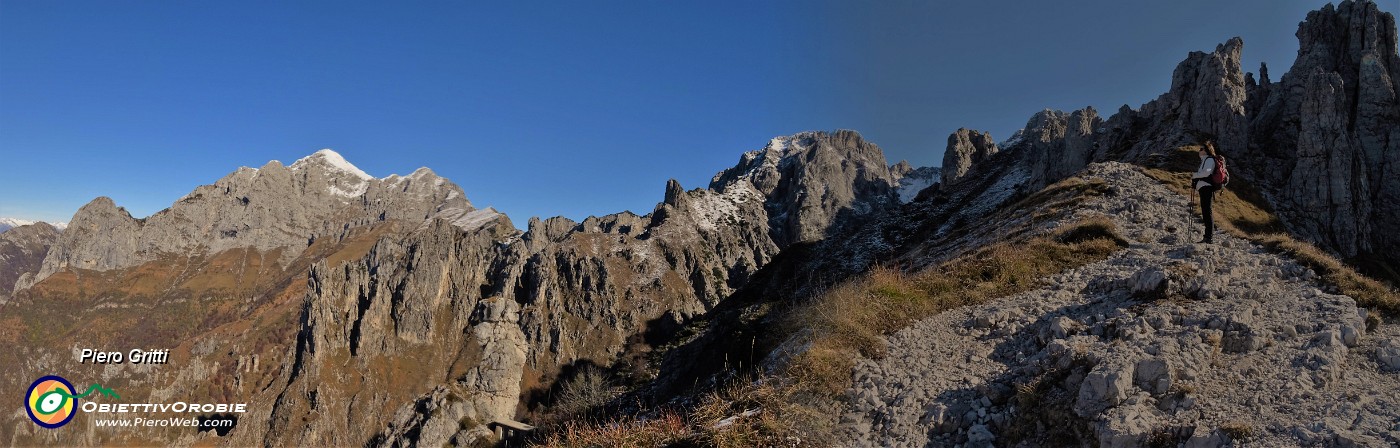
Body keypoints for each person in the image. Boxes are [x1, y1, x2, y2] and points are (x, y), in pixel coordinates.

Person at [1191, 141, 1222, 244]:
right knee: (1205, 212)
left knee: (1207, 212)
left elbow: (1206, 172)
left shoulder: (1209, 160)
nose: (1199, 150)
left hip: (1206, 188)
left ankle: (1209, 238)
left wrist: (1195, 175)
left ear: (1207, 151)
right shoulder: (1205, 160)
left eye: (1201, 149)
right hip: (1204, 188)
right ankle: (1207, 237)